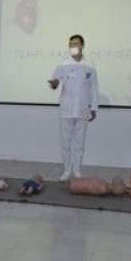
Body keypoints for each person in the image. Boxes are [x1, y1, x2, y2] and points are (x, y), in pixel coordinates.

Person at [48, 34, 99, 180]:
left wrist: (94, 107)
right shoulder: (63, 64)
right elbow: (55, 82)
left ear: (82, 45)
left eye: (76, 44)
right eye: (70, 44)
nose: (73, 47)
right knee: (66, 142)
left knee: (79, 141)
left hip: (83, 109)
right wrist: (53, 84)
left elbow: (94, 87)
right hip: (66, 109)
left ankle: (77, 170)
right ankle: (66, 170)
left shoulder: (90, 65)